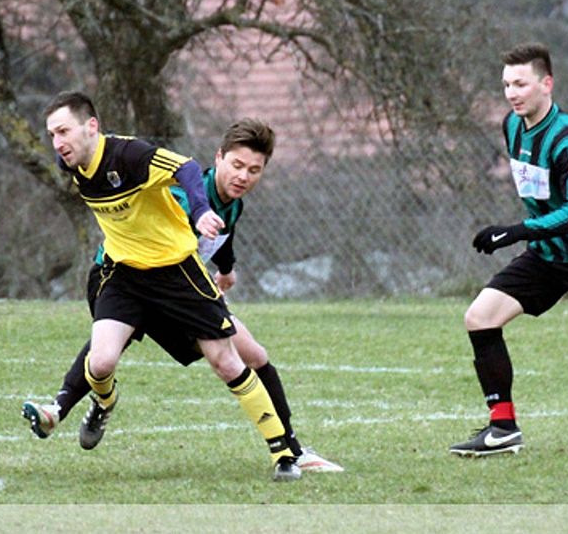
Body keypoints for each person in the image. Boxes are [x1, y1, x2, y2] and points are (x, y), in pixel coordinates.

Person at [23, 112, 341, 477]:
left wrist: (227, 269)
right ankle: (65, 406)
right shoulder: (187, 194)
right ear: (218, 157)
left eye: (254, 170)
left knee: (252, 354)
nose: (243, 176)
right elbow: (159, 216)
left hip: (177, 287)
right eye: (237, 165)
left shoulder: (232, 201)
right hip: (129, 274)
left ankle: (291, 450)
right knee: (109, 349)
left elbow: (222, 236)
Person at [449, 43, 568, 457]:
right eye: (506, 85)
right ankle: (502, 427)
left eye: (520, 84)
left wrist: (516, 231)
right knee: (480, 317)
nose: (512, 93)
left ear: (546, 84)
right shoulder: (512, 126)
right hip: (548, 255)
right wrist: (526, 234)